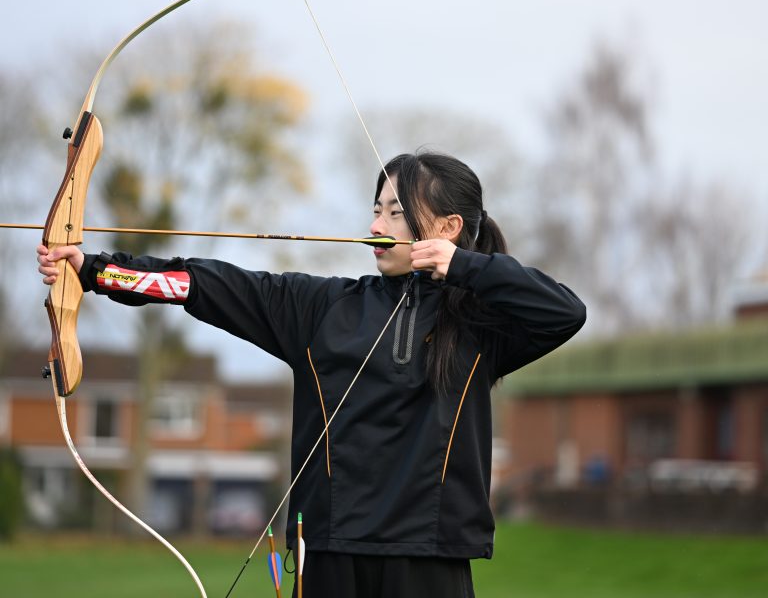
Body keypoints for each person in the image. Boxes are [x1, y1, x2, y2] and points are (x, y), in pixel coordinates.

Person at [38, 151, 586, 598]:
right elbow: (202, 285)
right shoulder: (321, 307)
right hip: (326, 552)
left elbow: (566, 312)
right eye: (377, 209)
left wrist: (462, 266)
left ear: (446, 228)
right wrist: (94, 270)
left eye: (396, 213)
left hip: (430, 558)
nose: (375, 225)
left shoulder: (478, 325)